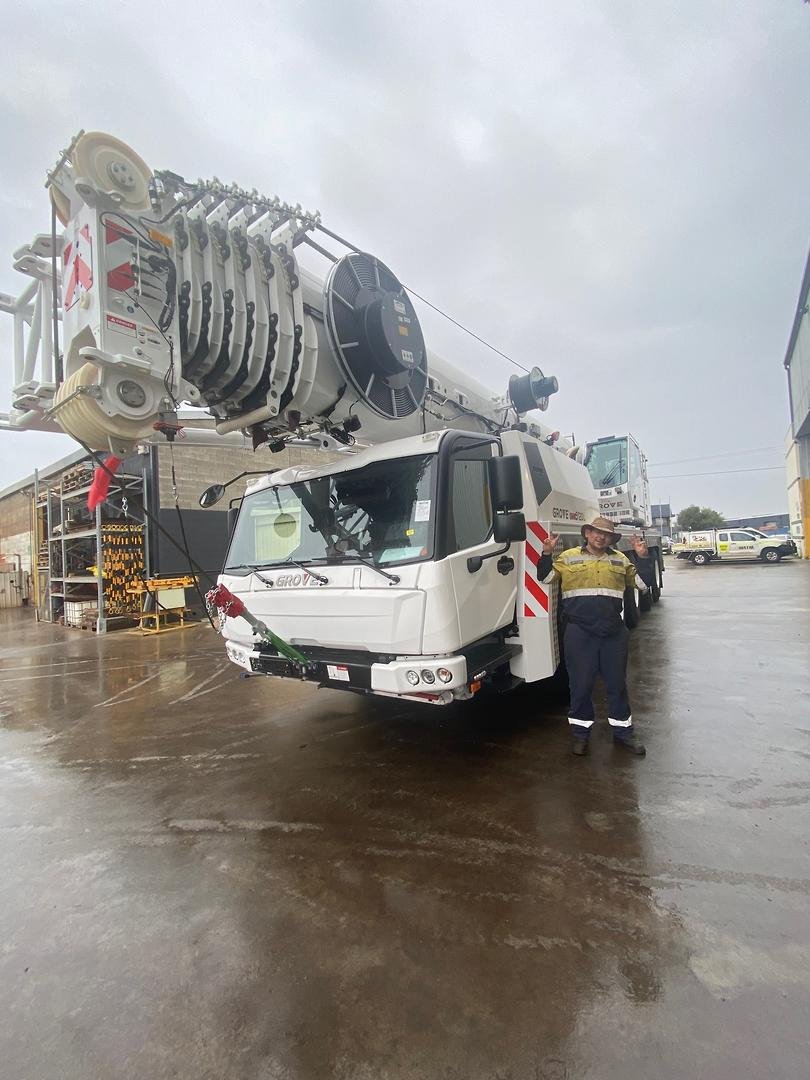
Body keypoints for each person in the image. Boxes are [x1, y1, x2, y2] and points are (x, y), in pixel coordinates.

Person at [537, 516, 650, 758]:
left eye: (606, 534)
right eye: (596, 532)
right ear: (587, 533)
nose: (601, 536)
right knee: (580, 685)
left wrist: (643, 557)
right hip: (580, 632)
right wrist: (546, 554)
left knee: (617, 685)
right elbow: (545, 578)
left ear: (611, 539)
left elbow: (643, 585)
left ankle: (623, 733)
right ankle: (580, 735)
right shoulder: (567, 557)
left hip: (613, 632)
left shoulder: (620, 560)